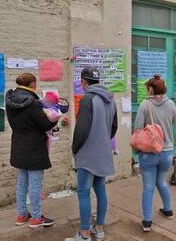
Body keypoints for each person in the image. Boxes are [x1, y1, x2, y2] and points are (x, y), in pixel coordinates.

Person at [67, 67, 118, 241]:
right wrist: (103, 140)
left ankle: (84, 234)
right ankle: (99, 228)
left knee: (83, 193)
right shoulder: (111, 99)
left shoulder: (87, 99)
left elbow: (81, 130)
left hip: (87, 155)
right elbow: (114, 127)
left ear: (83, 82)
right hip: (103, 153)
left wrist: (75, 149)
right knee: (101, 189)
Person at [6, 73, 58, 228]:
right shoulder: (33, 103)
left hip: (19, 146)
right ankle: (36, 217)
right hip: (34, 148)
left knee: (22, 182)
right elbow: (44, 125)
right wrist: (55, 118)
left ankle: (21, 215)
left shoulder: (10, 100)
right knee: (35, 184)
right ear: (33, 84)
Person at [134, 74, 176, 232]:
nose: (147, 91)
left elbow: (138, 128)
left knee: (148, 187)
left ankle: (147, 221)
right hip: (166, 152)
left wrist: (135, 150)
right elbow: (175, 120)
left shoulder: (145, 105)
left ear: (151, 89)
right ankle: (168, 210)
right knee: (161, 182)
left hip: (149, 152)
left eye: (148, 88)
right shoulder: (171, 104)